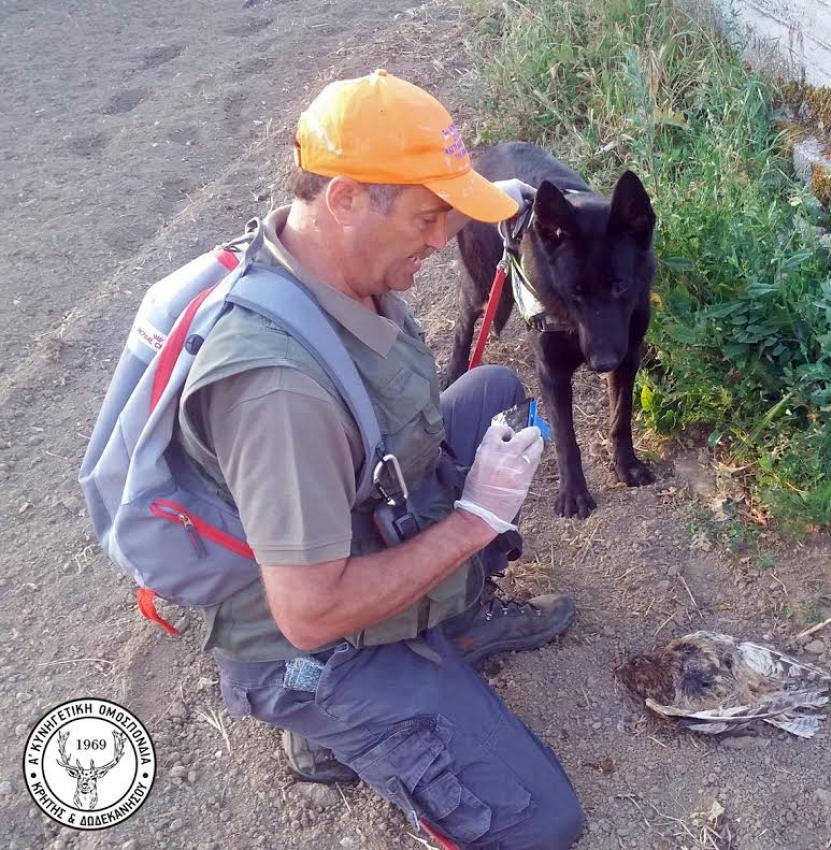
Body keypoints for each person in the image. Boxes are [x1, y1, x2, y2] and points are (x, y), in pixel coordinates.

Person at [175, 70, 584, 849]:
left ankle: (450, 625)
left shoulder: (325, 262)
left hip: (353, 525)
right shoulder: (278, 396)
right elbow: (310, 613)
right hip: (304, 645)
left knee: (495, 390)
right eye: (429, 217)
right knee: (543, 824)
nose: (441, 240)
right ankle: (318, 724)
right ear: (347, 199)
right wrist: (476, 520)